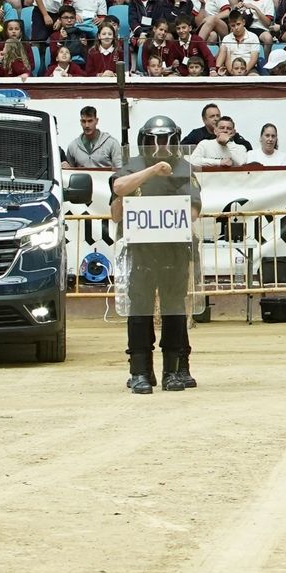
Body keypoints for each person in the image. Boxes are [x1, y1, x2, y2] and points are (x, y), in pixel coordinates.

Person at [111, 116, 201, 394]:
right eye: (155, 139)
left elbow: (194, 209)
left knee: (174, 310)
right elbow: (118, 190)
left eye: (166, 139)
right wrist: (152, 171)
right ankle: (139, 370)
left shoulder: (184, 168)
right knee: (139, 311)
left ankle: (173, 370)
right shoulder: (132, 167)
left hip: (173, 250)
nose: (161, 145)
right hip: (139, 252)